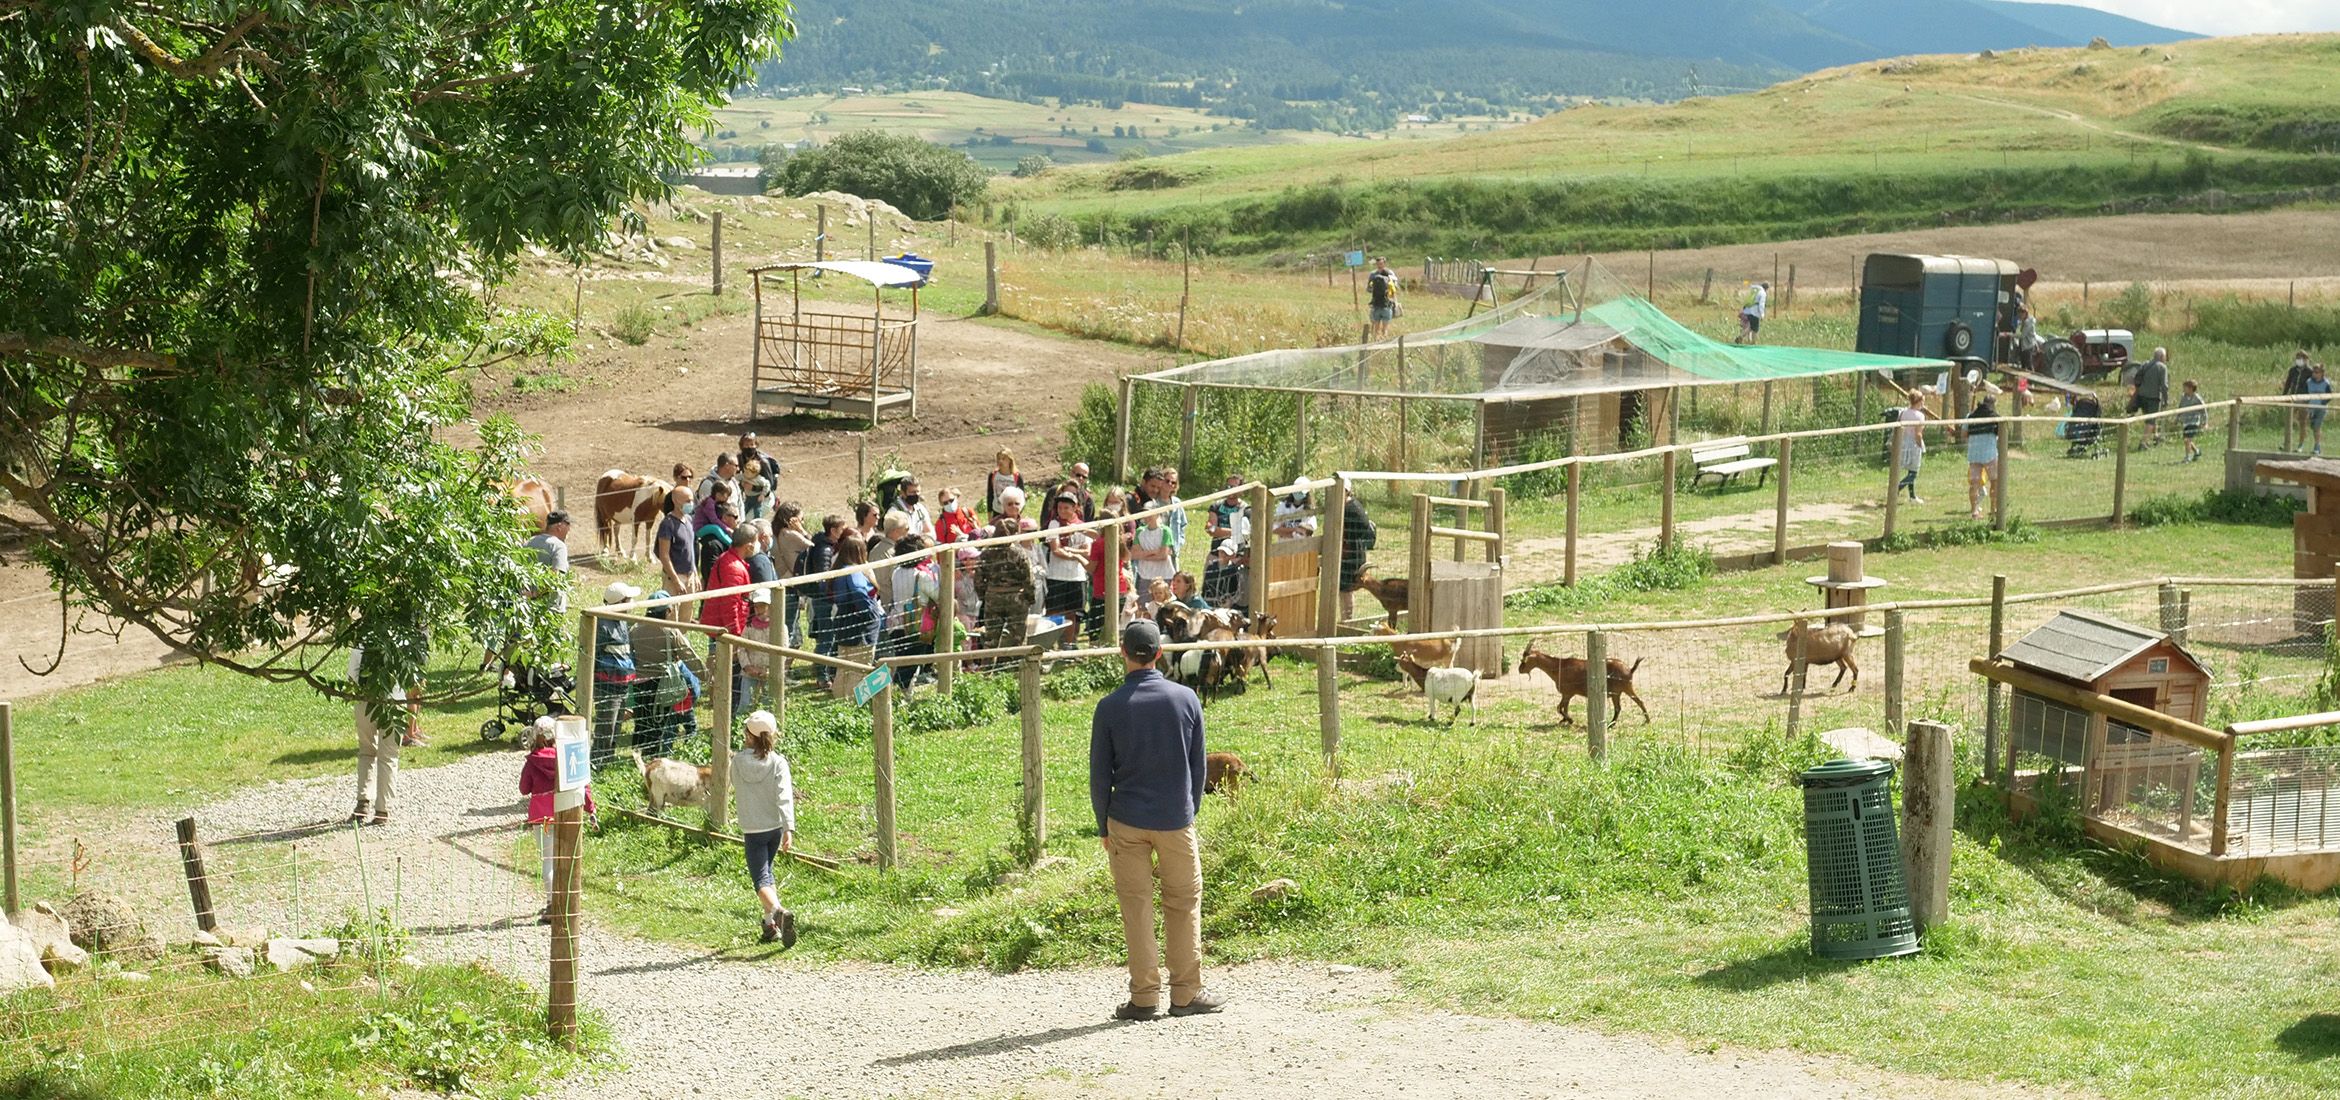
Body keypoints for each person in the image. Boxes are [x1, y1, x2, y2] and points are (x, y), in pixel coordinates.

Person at [1090, 619, 1220, 1020]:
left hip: (1126, 821)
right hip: (1175, 819)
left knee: (1137, 907)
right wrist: (1188, 810)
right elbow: (1198, 767)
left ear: (1123, 654)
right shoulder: (1186, 699)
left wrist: (1103, 826)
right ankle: (1186, 993)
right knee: (1182, 904)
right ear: (1160, 653)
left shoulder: (1109, 707)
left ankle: (1144, 997)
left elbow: (1100, 775)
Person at [520, 717, 598, 924]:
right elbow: (583, 784)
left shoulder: (532, 761)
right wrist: (591, 809)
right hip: (567, 814)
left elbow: (524, 788)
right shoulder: (568, 756)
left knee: (548, 861)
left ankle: (553, 903)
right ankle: (569, 901)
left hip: (543, 819)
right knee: (567, 859)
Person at [732, 710, 799, 947]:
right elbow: (785, 796)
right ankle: (769, 925)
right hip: (774, 828)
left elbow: (735, 784)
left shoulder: (738, 762)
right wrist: (788, 827)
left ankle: (779, 913)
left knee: (760, 880)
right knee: (768, 874)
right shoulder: (779, 762)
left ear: (747, 735)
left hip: (753, 829)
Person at [628, 591, 707, 759]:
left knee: (643, 719)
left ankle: (640, 753)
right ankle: (659, 756)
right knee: (662, 721)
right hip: (663, 683)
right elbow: (688, 654)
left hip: (640, 683)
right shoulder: (669, 631)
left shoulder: (634, 629)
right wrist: (706, 675)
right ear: (668, 611)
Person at [349, 643, 419, 825]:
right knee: (389, 756)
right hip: (394, 701)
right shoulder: (403, 641)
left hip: (365, 699)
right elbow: (411, 681)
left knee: (366, 751)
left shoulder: (362, 641)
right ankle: (382, 810)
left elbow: (352, 677)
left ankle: (362, 804)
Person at [702, 527, 752, 709]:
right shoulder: (734, 568)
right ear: (749, 545)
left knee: (723, 669)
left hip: (720, 624)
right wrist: (736, 634)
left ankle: (721, 704)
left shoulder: (729, 560)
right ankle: (726, 709)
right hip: (725, 628)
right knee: (728, 671)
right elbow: (729, 604)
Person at [591, 582, 640, 762]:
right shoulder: (601, 624)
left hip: (623, 683)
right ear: (620, 602)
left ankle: (608, 758)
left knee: (617, 724)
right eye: (628, 599)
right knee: (606, 725)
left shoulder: (624, 622)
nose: (631, 602)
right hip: (607, 685)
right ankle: (597, 761)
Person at [975, 518, 1035, 650]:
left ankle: (988, 667)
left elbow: (978, 579)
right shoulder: (1019, 553)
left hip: (993, 597)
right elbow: (1029, 578)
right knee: (1016, 637)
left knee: (991, 638)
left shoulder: (986, 553)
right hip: (1016, 599)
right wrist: (1030, 598)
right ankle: (1012, 666)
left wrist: (984, 596)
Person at [824, 536, 884, 666]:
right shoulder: (853, 571)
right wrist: (869, 613)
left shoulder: (838, 570)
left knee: (844, 667)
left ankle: (841, 687)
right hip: (860, 628)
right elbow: (858, 591)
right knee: (860, 668)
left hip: (843, 621)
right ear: (860, 551)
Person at [805, 514, 846, 684]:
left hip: (823, 599)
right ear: (833, 530)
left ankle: (823, 671)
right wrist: (831, 593)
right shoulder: (824, 549)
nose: (842, 532)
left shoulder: (824, 545)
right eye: (841, 529)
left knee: (826, 637)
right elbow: (824, 577)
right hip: (824, 600)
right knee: (826, 638)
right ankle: (822, 676)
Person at [1042, 494, 1092, 625]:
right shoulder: (1054, 524)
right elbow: (1056, 549)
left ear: (1074, 508)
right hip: (1057, 575)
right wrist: (1076, 555)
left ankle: (1070, 642)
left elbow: (1087, 551)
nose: (1062, 511)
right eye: (1059, 508)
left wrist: (1070, 551)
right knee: (1053, 611)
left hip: (1077, 577)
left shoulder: (1082, 526)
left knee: (1074, 613)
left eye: (1066, 508)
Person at [772, 504, 813, 648]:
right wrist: (802, 531)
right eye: (800, 519)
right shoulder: (790, 535)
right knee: (789, 632)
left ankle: (784, 668)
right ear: (792, 520)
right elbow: (815, 547)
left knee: (794, 635)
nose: (802, 522)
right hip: (790, 586)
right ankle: (781, 668)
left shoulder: (777, 533)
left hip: (783, 583)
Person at [1336, 486, 1375, 623]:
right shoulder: (1348, 506)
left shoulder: (1352, 509)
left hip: (1351, 555)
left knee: (1346, 590)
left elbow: (1363, 528)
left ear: (1346, 491)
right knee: (1344, 590)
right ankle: (1345, 619)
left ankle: (1347, 620)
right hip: (1347, 554)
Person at [525, 510, 572, 614]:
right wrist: (536, 594)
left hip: (528, 608)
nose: (569, 529)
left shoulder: (529, 542)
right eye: (568, 525)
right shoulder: (559, 547)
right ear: (559, 526)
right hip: (551, 609)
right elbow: (555, 577)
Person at [1966, 386, 2002, 520]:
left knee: (1974, 483)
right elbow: (2001, 434)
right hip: (1990, 453)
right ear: (1993, 405)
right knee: (1995, 481)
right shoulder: (1995, 417)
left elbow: (1964, 433)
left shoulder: (1971, 416)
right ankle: (1994, 509)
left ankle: (1974, 511)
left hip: (1974, 453)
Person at [655, 486, 697, 595]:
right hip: (675, 578)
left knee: (688, 612)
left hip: (690, 576)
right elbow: (664, 555)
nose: (691, 504)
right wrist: (675, 580)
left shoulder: (689, 520)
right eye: (687, 501)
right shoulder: (667, 524)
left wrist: (695, 574)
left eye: (692, 500)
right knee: (672, 611)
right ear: (675, 501)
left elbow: (691, 550)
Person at [2130, 347, 2171, 449]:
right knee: (2151, 421)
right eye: (2165, 356)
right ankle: (2143, 443)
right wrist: (2166, 399)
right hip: (2153, 398)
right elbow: (2164, 386)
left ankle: (2156, 436)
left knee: (2150, 418)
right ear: (2162, 356)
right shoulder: (2162, 367)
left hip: (2141, 396)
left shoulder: (2145, 364)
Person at [1895, 387, 1929, 504]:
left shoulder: (1904, 413)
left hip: (1904, 442)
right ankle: (1897, 488)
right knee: (1914, 472)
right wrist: (1921, 446)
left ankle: (1912, 496)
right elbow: (1918, 434)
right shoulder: (1920, 416)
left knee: (1910, 470)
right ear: (1919, 401)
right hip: (1914, 443)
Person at [2283, 350, 2315, 452]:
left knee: (2303, 422)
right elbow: (2288, 383)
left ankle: (2300, 445)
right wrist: (2283, 396)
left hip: (2304, 400)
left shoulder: (2310, 372)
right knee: (2289, 420)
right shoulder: (2293, 370)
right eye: (2297, 358)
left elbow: (2312, 386)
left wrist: (2310, 400)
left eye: (2301, 358)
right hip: (2293, 398)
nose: (2298, 360)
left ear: (2306, 360)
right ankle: (2286, 443)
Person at [737, 433, 780, 510]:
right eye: (746, 445)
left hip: (762, 494)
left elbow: (770, 484)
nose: (749, 447)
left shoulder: (763, 462)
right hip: (748, 492)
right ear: (741, 446)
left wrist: (754, 488)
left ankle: (775, 501)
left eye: (752, 444)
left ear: (756, 445)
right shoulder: (739, 458)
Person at [695, 455, 741, 523]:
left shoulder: (734, 482)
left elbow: (740, 505)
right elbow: (708, 512)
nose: (738, 469)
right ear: (727, 465)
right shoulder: (708, 484)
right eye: (736, 466)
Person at [986, 449, 1025, 520]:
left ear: (1010, 460)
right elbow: (990, 495)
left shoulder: (1017, 476)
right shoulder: (993, 475)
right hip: (997, 511)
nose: (1000, 461)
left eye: (1003, 459)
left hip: (1012, 513)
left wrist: (1018, 513)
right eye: (998, 459)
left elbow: (1021, 497)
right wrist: (989, 514)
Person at [1366, 256, 1398, 340]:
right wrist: (1395, 302)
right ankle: (1384, 342)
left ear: (1384, 263)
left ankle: (1375, 342)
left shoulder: (1373, 275)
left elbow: (1368, 289)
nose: (1379, 265)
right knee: (1385, 328)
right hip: (1386, 304)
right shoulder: (1389, 274)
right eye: (1378, 264)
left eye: (1380, 264)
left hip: (1376, 303)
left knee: (1376, 327)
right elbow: (1395, 288)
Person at [2177, 380, 2207, 464]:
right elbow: (2180, 408)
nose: (2183, 389)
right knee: (2187, 440)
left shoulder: (2197, 398)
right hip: (2186, 422)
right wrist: (2177, 418)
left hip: (2194, 422)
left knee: (2187, 440)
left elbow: (2204, 410)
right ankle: (2197, 451)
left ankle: (2187, 457)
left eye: (2185, 387)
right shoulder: (2184, 397)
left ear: (2191, 388)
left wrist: (2205, 422)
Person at [2309, 363, 2333, 457]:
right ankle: (2317, 446)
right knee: (2313, 427)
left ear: (2321, 373)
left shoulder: (2326, 383)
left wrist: (2323, 403)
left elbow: (2330, 396)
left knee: (2317, 427)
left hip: (2321, 409)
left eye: (2317, 372)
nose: (2314, 374)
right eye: (2313, 372)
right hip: (2311, 408)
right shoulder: (2309, 382)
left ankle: (2317, 447)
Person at [1735, 281, 1768, 345]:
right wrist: (1762, 314)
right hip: (1754, 312)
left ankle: (1740, 337)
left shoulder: (1755, 290)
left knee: (1750, 327)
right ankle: (1753, 343)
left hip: (1747, 310)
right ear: (1766, 289)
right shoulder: (1763, 293)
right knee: (1755, 329)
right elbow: (1761, 304)